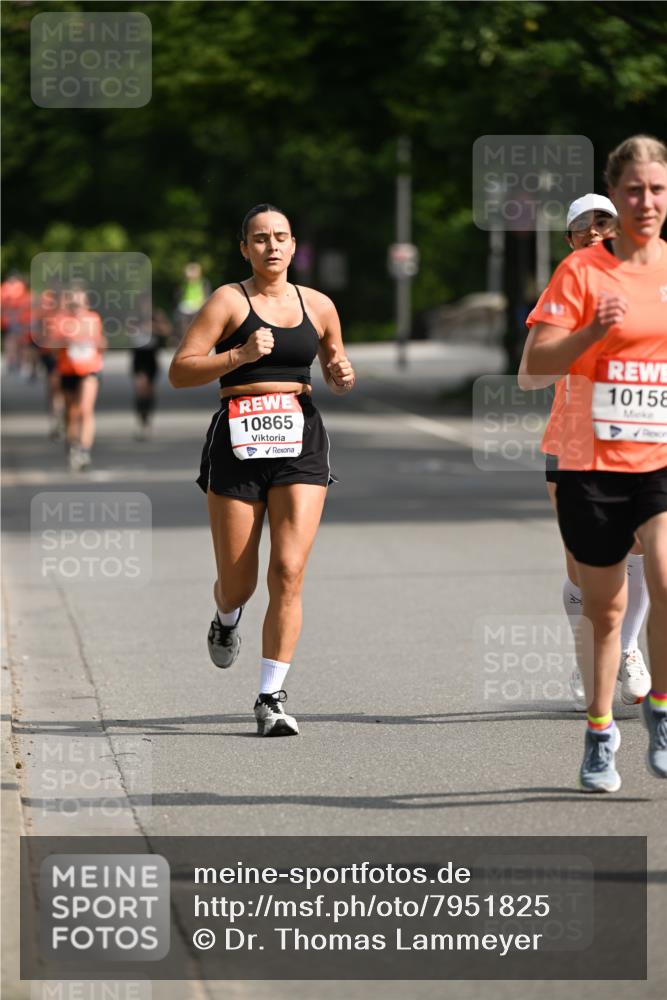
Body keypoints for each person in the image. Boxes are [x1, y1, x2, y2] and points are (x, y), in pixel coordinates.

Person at [169, 204, 355, 736]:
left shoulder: (318, 305)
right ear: (244, 247)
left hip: (300, 438)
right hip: (237, 438)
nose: (271, 246)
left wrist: (341, 373)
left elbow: (337, 368)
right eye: (259, 238)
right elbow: (181, 370)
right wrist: (239, 354)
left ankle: (270, 696)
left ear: (294, 246)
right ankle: (226, 619)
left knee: (290, 572)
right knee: (239, 581)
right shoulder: (229, 300)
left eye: (280, 237)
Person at [519, 135, 667, 792]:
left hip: (658, 455)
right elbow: (531, 370)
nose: (645, 202)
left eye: (656, 189)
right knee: (602, 610)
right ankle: (600, 727)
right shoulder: (581, 273)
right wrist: (590, 334)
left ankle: (659, 713)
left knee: (664, 577)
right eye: (633, 189)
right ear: (614, 193)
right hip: (587, 458)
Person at [520, 194, 650, 711]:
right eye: (582, 227)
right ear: (570, 239)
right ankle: (588, 657)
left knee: (640, 545)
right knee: (584, 564)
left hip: (638, 435)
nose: (594, 233)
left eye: (605, 223)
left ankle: (629, 647)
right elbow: (532, 372)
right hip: (573, 439)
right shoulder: (565, 286)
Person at [46, 285, 106, 471]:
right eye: (73, 303)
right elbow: (51, 348)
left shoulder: (93, 319)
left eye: (80, 303)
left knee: (86, 410)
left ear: (86, 303)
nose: (76, 307)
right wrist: (64, 341)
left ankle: (84, 450)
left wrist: (98, 342)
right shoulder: (60, 320)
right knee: (71, 413)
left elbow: (101, 345)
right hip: (68, 370)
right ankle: (73, 446)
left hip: (89, 369)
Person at [131, 305, 173, 440]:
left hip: (151, 358)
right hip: (138, 358)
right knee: (140, 388)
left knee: (149, 391)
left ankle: (148, 419)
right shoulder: (133, 316)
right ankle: (142, 420)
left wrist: (153, 327)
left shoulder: (156, 315)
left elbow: (167, 331)